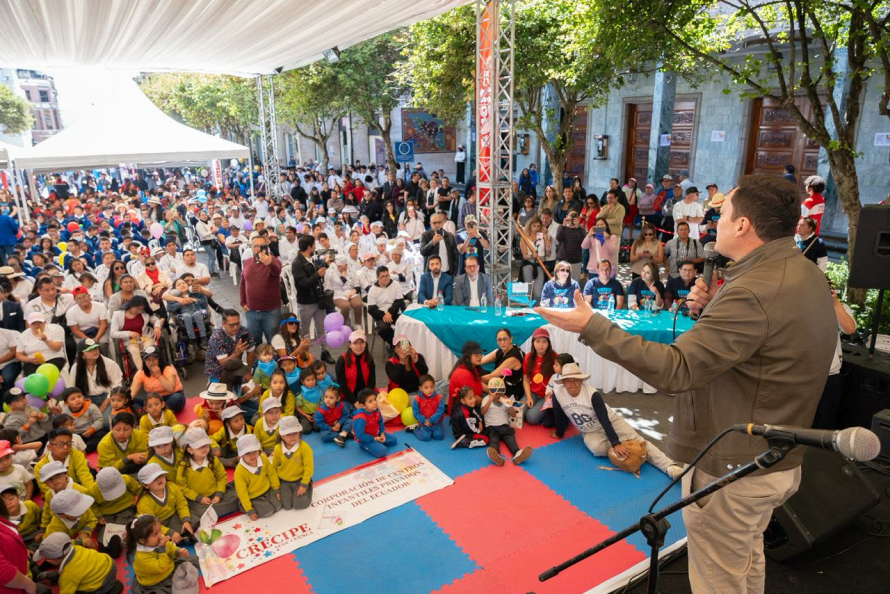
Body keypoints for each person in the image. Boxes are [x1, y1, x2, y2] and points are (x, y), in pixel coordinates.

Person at [535, 175, 838, 594]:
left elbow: (676, 369)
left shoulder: (752, 292)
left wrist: (593, 326)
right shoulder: (803, 273)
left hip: (734, 467)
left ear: (744, 225)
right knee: (746, 561)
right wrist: (715, 311)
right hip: (775, 458)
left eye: (723, 212)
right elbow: (767, 351)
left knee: (719, 582)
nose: (715, 220)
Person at [550, 363, 682, 479]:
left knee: (638, 440)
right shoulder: (558, 394)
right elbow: (559, 414)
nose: (572, 383)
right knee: (596, 449)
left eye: (576, 380)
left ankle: (669, 467)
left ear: (581, 381)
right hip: (590, 431)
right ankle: (629, 448)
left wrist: (615, 443)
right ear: (564, 382)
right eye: (568, 380)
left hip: (611, 421)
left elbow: (604, 419)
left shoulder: (592, 394)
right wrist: (559, 433)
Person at [812, 281, 857, 429]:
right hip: (804, 373)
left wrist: (836, 304)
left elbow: (849, 329)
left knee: (825, 422)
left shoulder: (841, 308)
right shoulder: (804, 305)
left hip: (829, 375)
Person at [290, 235, 334, 365]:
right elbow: (303, 283)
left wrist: (326, 264)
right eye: (314, 245)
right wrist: (317, 275)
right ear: (309, 247)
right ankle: (304, 354)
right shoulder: (297, 263)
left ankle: (324, 351)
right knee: (305, 331)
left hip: (317, 299)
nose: (315, 247)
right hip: (305, 302)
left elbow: (315, 274)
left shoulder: (310, 258)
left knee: (321, 327)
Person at [67, 338, 123, 422]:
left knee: (106, 422)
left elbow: (117, 387)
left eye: (96, 348)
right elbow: (72, 389)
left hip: (107, 398)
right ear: (82, 354)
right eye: (90, 350)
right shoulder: (76, 368)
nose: (95, 351)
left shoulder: (110, 364)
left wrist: (104, 405)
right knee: (79, 422)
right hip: (85, 399)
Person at [240, 235, 282, 346]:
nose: (258, 248)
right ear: (251, 247)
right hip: (251, 311)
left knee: (273, 341)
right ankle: (256, 363)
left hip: (271, 311)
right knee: (254, 342)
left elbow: (276, 271)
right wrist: (243, 301)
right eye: (255, 246)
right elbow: (243, 283)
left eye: (261, 246)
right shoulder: (247, 262)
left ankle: (273, 362)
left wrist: (269, 263)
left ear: (266, 246)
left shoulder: (274, 261)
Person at [481, 378, 533, 466]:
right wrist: (489, 402)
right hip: (491, 427)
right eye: (494, 390)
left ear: (504, 391)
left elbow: (513, 415)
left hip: (504, 426)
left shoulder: (506, 399)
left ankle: (517, 454)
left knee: (511, 440)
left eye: (500, 391)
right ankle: (496, 455)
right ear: (489, 391)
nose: (497, 394)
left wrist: (509, 405)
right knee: (494, 441)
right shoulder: (486, 399)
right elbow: (483, 412)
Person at [270, 416, 314, 510]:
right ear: (282, 436)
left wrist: (304, 484)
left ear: (299, 432)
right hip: (284, 481)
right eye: (288, 434)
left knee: (300, 504)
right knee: (286, 506)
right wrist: (276, 488)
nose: (292, 437)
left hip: (299, 480)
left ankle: (308, 486)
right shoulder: (278, 448)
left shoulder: (305, 448)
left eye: (295, 433)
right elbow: (274, 468)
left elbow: (309, 468)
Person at [205, 309, 256, 387]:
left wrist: (248, 372)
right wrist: (237, 352)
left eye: (238, 323)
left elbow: (251, 352)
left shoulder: (244, 331)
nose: (236, 327)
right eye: (232, 325)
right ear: (224, 323)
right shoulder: (217, 338)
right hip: (217, 373)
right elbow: (224, 364)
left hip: (237, 370)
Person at [110, 296, 161, 372]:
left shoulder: (144, 313)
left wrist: (157, 327)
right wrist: (129, 333)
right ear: (131, 305)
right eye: (137, 309)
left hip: (145, 337)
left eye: (141, 309)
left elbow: (156, 320)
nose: (139, 311)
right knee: (134, 351)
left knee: (149, 350)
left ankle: (153, 370)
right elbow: (113, 333)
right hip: (130, 341)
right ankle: (142, 371)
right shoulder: (118, 315)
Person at [129, 346, 185, 414]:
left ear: (159, 359)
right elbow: (131, 394)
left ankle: (153, 414)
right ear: (144, 362)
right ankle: (154, 413)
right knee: (131, 400)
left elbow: (171, 389)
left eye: (154, 359)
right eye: (148, 360)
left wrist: (159, 375)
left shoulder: (168, 368)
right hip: (152, 401)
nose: (151, 362)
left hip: (170, 397)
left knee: (177, 398)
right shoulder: (141, 372)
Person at [522, 327, 558, 426]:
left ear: (548, 343)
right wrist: (528, 396)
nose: (541, 345)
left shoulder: (555, 357)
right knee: (518, 413)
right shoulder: (528, 357)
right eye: (538, 341)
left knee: (531, 418)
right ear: (533, 342)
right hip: (532, 392)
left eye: (544, 342)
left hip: (546, 396)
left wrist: (551, 396)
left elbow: (559, 379)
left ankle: (548, 412)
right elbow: (526, 379)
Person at [352, 389, 397, 458]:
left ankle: (377, 443)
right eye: (370, 401)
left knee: (393, 440)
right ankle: (364, 445)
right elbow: (360, 435)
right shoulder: (360, 418)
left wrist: (382, 433)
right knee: (382, 451)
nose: (375, 403)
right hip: (365, 439)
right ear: (362, 405)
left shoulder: (375, 410)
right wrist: (375, 439)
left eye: (375, 399)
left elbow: (380, 422)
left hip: (376, 433)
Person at [480, 328, 524, 400]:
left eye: (505, 339)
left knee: (477, 384)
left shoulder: (513, 358)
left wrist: (474, 380)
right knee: (478, 374)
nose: (502, 342)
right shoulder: (500, 351)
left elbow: (493, 376)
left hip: (510, 390)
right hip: (500, 382)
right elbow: (480, 361)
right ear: (497, 341)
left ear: (511, 339)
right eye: (499, 340)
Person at [334, 330, 375, 406]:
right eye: (355, 343)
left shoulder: (369, 358)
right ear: (350, 344)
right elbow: (342, 385)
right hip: (348, 396)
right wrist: (355, 402)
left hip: (366, 394)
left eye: (362, 342)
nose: (359, 346)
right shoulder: (342, 360)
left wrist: (367, 398)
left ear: (365, 344)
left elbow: (372, 381)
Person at [366, 267, 405, 347]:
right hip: (381, 316)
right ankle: (397, 347)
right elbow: (371, 308)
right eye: (383, 276)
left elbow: (399, 301)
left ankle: (403, 347)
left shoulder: (395, 284)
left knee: (405, 325)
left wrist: (390, 313)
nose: (386, 278)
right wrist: (384, 315)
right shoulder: (373, 289)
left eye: (387, 276)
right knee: (383, 329)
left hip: (394, 312)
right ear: (377, 277)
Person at [325, 255, 363, 328]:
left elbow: (357, 283)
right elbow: (340, 283)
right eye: (339, 267)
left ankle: (358, 324)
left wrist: (353, 292)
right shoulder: (332, 271)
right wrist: (343, 274)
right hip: (337, 293)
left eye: (344, 266)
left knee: (358, 304)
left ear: (346, 265)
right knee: (346, 306)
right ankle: (342, 326)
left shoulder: (351, 270)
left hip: (350, 291)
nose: (341, 268)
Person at [448, 342, 485, 414]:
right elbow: (473, 399)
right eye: (475, 354)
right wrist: (490, 401)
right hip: (463, 413)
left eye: (480, 353)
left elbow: (479, 383)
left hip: (472, 403)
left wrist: (492, 391)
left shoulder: (472, 367)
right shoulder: (464, 375)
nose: (479, 356)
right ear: (467, 357)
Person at [411, 375, 446, 441]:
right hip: (424, 423)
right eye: (426, 388)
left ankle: (440, 427)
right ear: (421, 388)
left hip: (436, 423)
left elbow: (441, 410)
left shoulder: (438, 397)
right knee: (425, 437)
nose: (429, 390)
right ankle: (416, 429)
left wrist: (431, 420)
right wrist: (424, 420)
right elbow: (416, 412)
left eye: (431, 387)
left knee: (439, 436)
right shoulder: (418, 399)